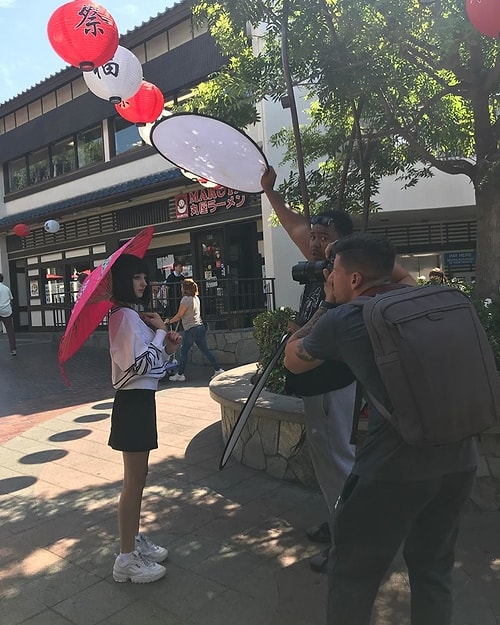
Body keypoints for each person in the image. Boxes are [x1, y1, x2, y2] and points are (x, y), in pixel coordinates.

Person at [284, 233, 477, 625]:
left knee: (352, 576)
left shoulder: (345, 319)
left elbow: (293, 360)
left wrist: (322, 307)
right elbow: (396, 273)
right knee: (433, 569)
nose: (329, 276)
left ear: (354, 279)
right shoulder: (418, 298)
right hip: (459, 458)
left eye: (334, 270)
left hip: (393, 468)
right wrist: (361, 253)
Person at [261, 166, 415, 572]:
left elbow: (406, 280)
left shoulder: (352, 275)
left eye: (324, 239)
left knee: (335, 460)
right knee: (330, 461)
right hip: (317, 379)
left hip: (331, 380)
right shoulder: (323, 266)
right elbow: (294, 224)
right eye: (314, 237)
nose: (314, 244)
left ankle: (351, 543)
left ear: (346, 250)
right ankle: (338, 523)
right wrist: (268, 191)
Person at [107, 254, 182, 584]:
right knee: (133, 482)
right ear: (124, 281)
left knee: (138, 478)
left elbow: (153, 368)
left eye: (144, 277)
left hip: (140, 401)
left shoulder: (133, 316)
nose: (142, 283)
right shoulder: (122, 317)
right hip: (132, 404)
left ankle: (132, 541)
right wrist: (160, 333)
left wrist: (168, 347)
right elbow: (135, 367)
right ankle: (125, 559)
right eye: (136, 277)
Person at [166, 278, 225, 382]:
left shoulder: (185, 300)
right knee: (205, 350)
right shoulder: (196, 298)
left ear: (185, 288)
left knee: (183, 352)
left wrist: (169, 321)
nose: (181, 288)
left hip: (191, 329)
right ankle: (218, 369)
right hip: (200, 326)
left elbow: (179, 315)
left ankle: (180, 374)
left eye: (182, 286)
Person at [0, 273, 17, 356]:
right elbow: (11, 299)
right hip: (7, 311)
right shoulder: (6, 288)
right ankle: (13, 349)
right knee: (10, 330)